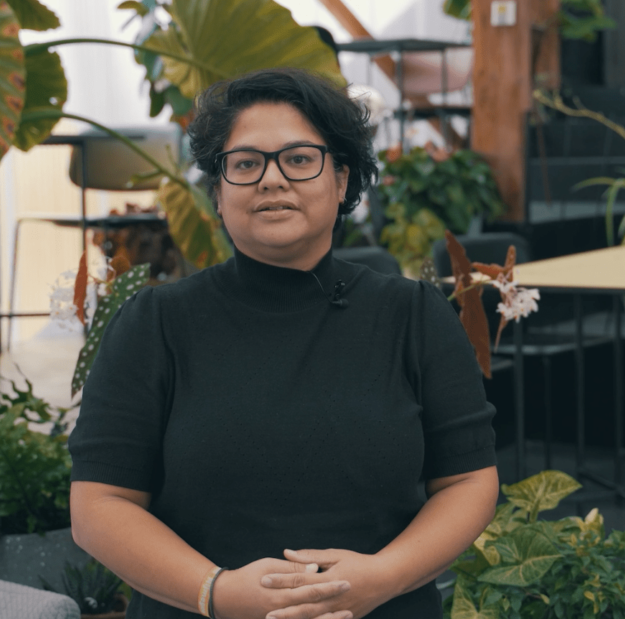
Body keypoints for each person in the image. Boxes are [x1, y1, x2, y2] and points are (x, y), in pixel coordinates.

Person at [68, 67, 498, 619]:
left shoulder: (413, 316)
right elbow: (99, 504)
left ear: (341, 181)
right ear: (218, 192)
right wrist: (218, 593)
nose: (272, 180)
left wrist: (384, 577)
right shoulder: (155, 325)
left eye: (298, 159)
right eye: (246, 164)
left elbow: (468, 480)